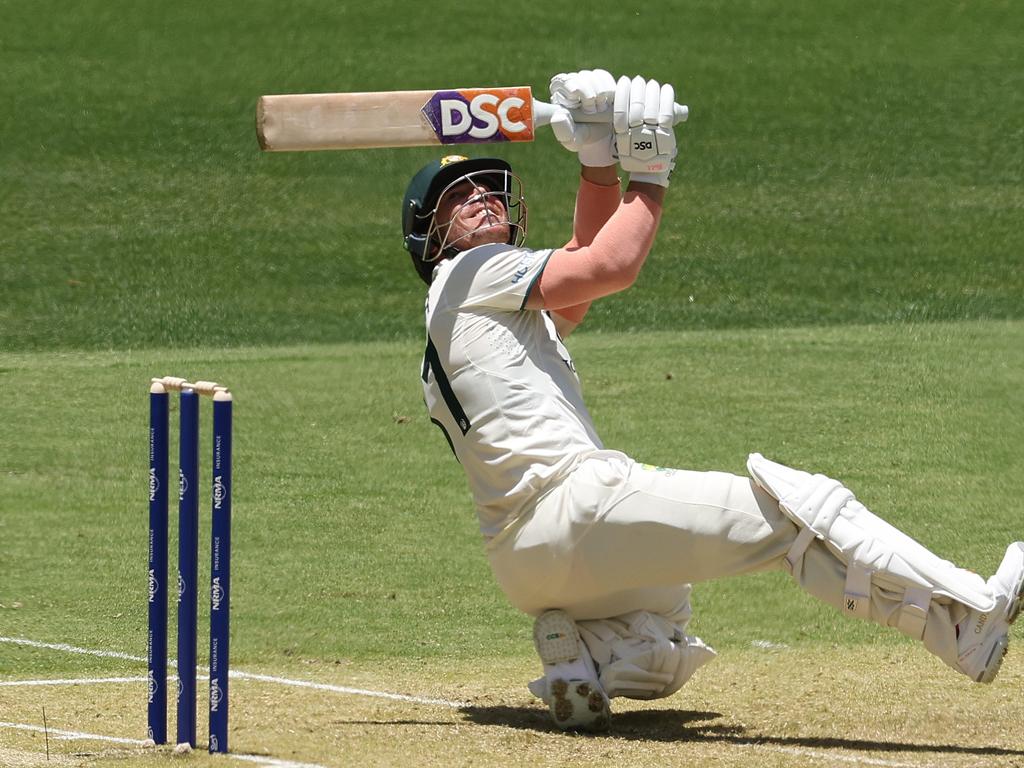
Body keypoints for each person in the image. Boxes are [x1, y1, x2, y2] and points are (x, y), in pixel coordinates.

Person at [400, 70, 1024, 732]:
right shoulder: (470, 273)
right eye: (454, 200)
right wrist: (651, 168)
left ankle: (580, 655)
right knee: (796, 513)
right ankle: (966, 620)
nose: (478, 198)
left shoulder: (473, 318)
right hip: (575, 507)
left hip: (524, 564)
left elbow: (583, 269)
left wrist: (595, 162)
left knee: (667, 613)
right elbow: (611, 266)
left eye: (484, 187)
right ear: (429, 237)